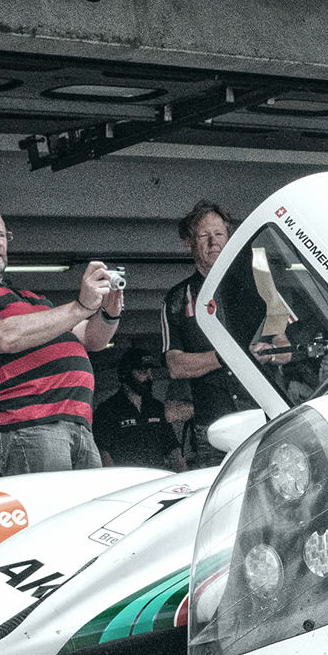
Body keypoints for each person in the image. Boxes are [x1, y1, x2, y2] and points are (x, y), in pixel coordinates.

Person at [0, 199, 124, 475]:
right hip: (29, 424)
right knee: (54, 504)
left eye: (2, 235)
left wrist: (108, 313)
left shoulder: (31, 298)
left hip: (78, 423)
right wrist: (80, 307)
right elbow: (1, 337)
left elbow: (92, 339)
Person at [160, 199, 278, 467]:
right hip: (213, 428)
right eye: (204, 235)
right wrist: (229, 356)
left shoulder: (255, 287)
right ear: (189, 244)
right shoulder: (177, 298)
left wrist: (272, 354)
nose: (213, 242)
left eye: (219, 234)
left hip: (263, 417)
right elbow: (175, 365)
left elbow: (284, 346)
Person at [94, 346, 184, 470]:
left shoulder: (156, 407)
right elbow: (103, 453)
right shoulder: (107, 410)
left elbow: (173, 448)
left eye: (150, 372)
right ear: (126, 373)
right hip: (128, 478)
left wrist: (184, 474)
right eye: (143, 372)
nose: (149, 377)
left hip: (159, 476)